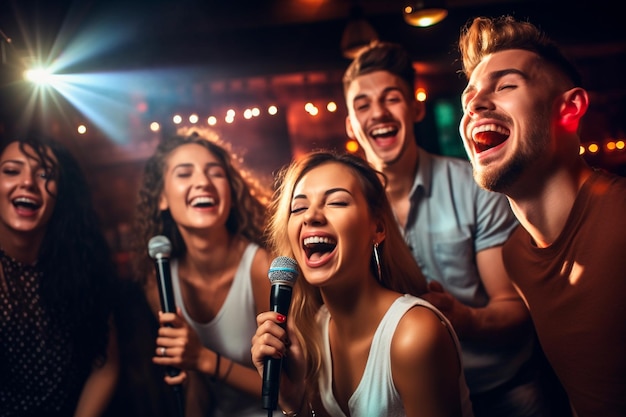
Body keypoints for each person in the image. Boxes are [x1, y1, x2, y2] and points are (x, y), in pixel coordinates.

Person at [342, 41, 550, 417]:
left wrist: (463, 318)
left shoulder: (475, 187)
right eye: (362, 105)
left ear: (415, 107)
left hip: (501, 390)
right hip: (406, 401)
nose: (377, 113)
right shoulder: (344, 211)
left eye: (391, 98)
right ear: (350, 124)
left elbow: (515, 308)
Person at [458, 15, 626, 417]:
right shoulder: (516, 256)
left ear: (570, 108)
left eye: (506, 85)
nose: (476, 104)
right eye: (469, 99)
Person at [251, 151, 474, 417]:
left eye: (336, 202)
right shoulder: (316, 328)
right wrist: (293, 401)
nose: (311, 216)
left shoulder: (414, 335)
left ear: (377, 228)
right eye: (298, 208)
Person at [130, 126, 273, 417]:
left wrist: (205, 359)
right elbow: (196, 392)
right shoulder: (158, 281)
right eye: (184, 174)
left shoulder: (261, 267)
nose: (203, 182)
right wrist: (190, 367)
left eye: (215, 173)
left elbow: (294, 389)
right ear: (162, 199)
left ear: (231, 192)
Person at [0, 132, 119, 416]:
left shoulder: (82, 266)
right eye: (11, 171)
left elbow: (105, 366)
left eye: (45, 174)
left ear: (62, 194)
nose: (28, 182)